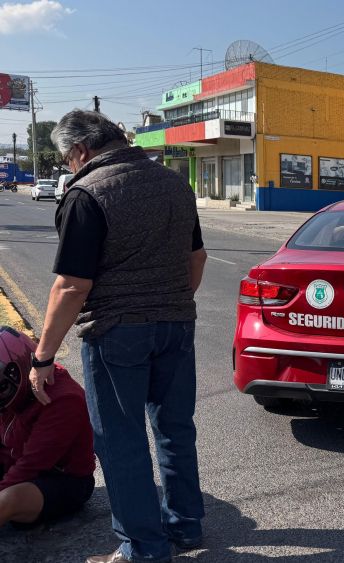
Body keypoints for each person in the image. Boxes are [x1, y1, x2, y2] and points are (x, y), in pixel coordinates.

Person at [31, 110, 208, 563]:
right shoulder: (174, 183)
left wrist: (43, 356)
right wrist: (166, 302)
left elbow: (72, 286)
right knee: (174, 428)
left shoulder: (87, 193)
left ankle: (143, 549)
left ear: (81, 150)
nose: (69, 166)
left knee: (120, 440)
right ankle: (186, 526)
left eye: (68, 157)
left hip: (117, 332)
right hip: (176, 325)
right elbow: (197, 258)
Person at [0, 326, 95, 530]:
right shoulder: (14, 393)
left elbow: (32, 465)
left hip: (65, 480)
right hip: (17, 462)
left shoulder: (62, 399)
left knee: (8, 499)